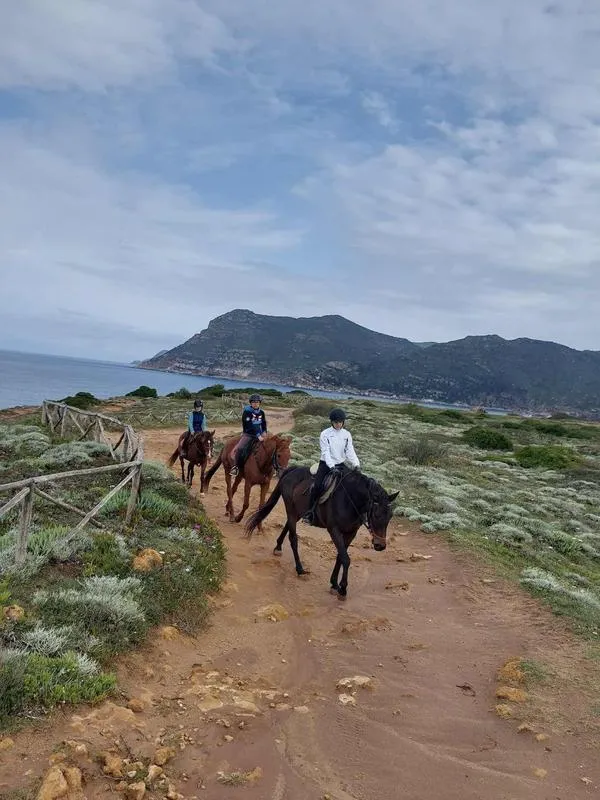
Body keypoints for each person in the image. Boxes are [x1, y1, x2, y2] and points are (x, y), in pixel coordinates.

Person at [302, 408, 360, 525]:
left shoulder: (347, 435)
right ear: (331, 422)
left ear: (343, 422)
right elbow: (325, 452)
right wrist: (332, 467)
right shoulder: (325, 434)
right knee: (317, 486)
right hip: (326, 464)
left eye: (340, 422)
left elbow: (350, 451)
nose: (338, 424)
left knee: (353, 484)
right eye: (335, 422)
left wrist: (356, 464)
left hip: (341, 464)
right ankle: (309, 513)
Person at [230, 394, 268, 476]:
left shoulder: (261, 412)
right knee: (240, 448)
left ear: (260, 403)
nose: (255, 404)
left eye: (257, 402)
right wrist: (258, 436)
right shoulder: (247, 412)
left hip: (260, 435)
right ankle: (236, 467)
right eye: (253, 402)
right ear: (250, 403)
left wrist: (264, 431)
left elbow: (264, 423)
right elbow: (250, 425)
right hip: (248, 434)